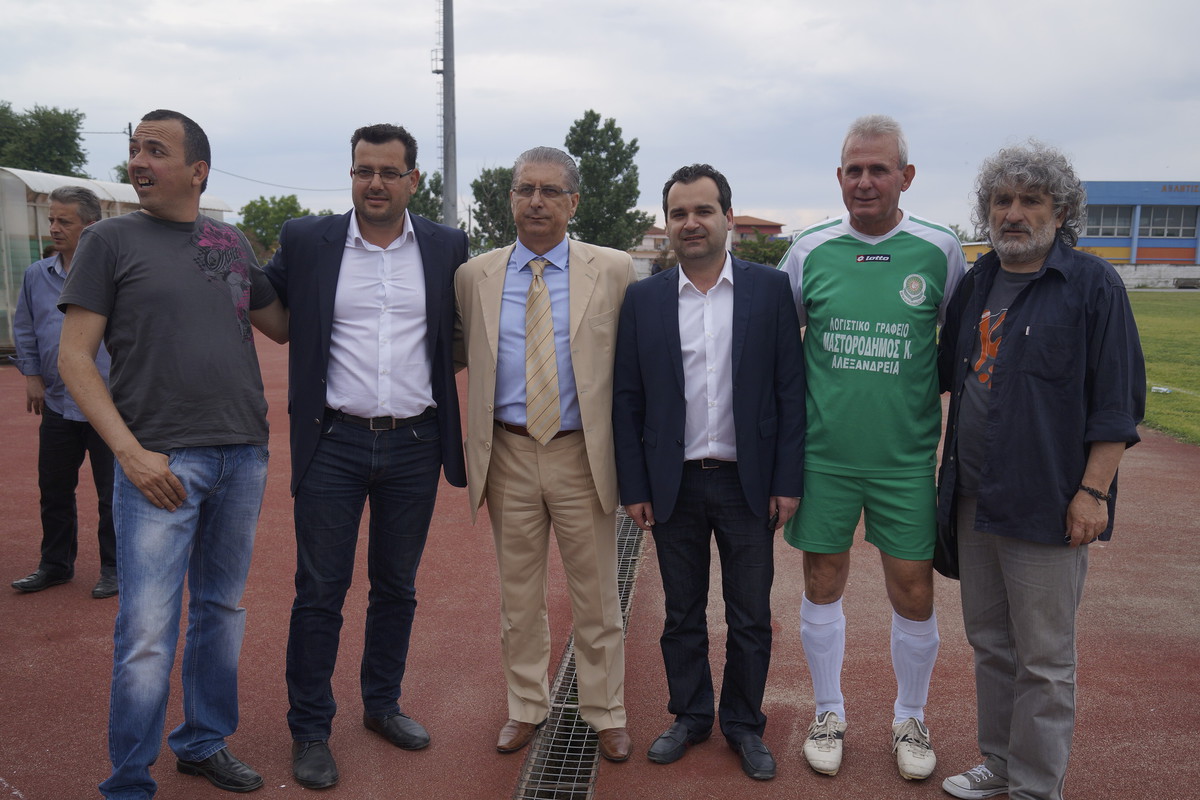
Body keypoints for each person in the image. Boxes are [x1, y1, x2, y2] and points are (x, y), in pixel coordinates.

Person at [58, 109, 288, 799]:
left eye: (156, 150)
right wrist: (129, 454)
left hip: (242, 455)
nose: (138, 160)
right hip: (159, 462)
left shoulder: (230, 241)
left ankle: (203, 742)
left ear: (198, 170)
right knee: (147, 632)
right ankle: (129, 781)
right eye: (135, 149)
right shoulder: (107, 240)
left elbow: (281, 325)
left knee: (221, 612)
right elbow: (74, 358)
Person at [937, 142, 1145, 800]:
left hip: (1048, 500)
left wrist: (1092, 493)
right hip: (974, 496)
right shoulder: (976, 282)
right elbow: (950, 375)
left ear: (1060, 212)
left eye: (1031, 200)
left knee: (1045, 656)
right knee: (991, 642)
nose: (1014, 213)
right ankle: (1001, 764)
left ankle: (1035, 787)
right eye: (1002, 200)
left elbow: (1117, 403)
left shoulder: (1092, 285)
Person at [263, 123, 468, 790]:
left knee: (396, 587)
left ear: (413, 180)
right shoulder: (306, 239)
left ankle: (382, 704)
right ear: (351, 175)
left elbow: (458, 334)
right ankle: (310, 729)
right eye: (363, 170)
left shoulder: (446, 246)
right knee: (320, 590)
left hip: (416, 442)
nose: (374, 183)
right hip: (333, 441)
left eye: (388, 171)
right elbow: (264, 305)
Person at [778, 114, 966, 781]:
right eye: (854, 170)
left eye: (878, 169)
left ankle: (909, 716)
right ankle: (828, 712)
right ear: (839, 177)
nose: (865, 181)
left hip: (905, 460)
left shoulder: (940, 249)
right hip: (825, 457)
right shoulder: (809, 250)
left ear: (905, 176)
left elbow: (959, 351)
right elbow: (780, 347)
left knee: (913, 588)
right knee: (822, 580)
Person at [612, 164, 805, 780]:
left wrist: (787, 481)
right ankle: (691, 716)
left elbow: (790, 391)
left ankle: (744, 724)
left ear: (728, 217)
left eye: (703, 210)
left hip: (748, 483)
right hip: (675, 483)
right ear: (667, 223)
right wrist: (634, 486)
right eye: (678, 213)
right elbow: (627, 400)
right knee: (681, 613)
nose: (690, 223)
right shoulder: (643, 299)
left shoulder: (769, 291)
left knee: (750, 616)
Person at [454, 146, 634, 762]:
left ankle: (605, 711)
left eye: (550, 191)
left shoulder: (614, 270)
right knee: (519, 598)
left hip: (581, 453)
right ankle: (526, 706)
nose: (536, 202)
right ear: (509, 198)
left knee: (597, 596)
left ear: (573, 202)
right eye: (525, 189)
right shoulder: (474, 277)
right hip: (507, 452)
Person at [10, 186, 117, 599]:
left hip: (109, 403)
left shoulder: (114, 273)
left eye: (63, 221)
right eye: (51, 219)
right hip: (58, 401)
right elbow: (25, 327)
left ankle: (115, 568)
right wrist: (32, 374)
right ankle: (55, 565)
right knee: (53, 490)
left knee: (112, 496)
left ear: (90, 226)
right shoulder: (36, 275)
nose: (53, 227)